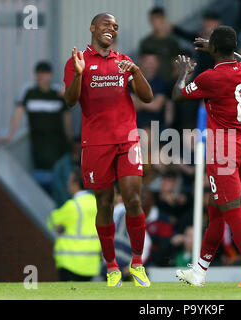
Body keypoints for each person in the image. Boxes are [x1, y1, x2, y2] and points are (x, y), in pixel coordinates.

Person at [172, 25, 241, 287]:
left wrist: (184, 74)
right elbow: (238, 57)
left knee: (232, 211)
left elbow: (178, 95)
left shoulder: (210, 78)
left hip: (222, 149)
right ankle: (199, 271)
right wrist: (219, 47)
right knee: (216, 210)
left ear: (214, 49)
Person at [63, 13, 154, 287]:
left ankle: (137, 263)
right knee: (103, 203)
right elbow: (70, 100)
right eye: (106, 24)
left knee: (133, 200)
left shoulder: (123, 62)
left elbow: (147, 98)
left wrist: (136, 72)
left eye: (115, 27)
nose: (111, 29)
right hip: (95, 143)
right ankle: (112, 265)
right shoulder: (77, 62)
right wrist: (79, 75)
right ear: (92, 27)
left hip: (127, 140)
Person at [0, 61, 73, 194]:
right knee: (42, 183)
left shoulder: (58, 93)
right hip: (38, 147)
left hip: (58, 146)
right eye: (38, 74)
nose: (41, 77)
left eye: (44, 74)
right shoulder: (30, 93)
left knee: (58, 181)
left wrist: (70, 139)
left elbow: (67, 118)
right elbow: (18, 112)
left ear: (50, 75)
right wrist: (11, 134)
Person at [47, 168, 101, 281]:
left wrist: (57, 227)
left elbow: (52, 220)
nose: (67, 183)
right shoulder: (96, 203)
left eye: (70, 180)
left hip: (70, 261)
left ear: (76, 184)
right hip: (91, 263)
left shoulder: (72, 206)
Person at [139, 7, 181, 84]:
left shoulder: (172, 42)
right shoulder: (146, 42)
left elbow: (177, 63)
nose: (154, 23)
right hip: (151, 82)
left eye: (156, 19)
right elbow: (141, 63)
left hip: (168, 81)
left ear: (163, 19)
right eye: (152, 20)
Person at [133, 51, 167, 130]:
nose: (150, 65)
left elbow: (156, 106)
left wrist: (139, 102)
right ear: (140, 62)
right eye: (147, 62)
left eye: (153, 62)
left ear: (158, 64)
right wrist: (149, 103)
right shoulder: (132, 81)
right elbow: (131, 106)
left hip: (156, 126)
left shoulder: (161, 83)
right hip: (134, 124)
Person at [51, 136, 82, 207]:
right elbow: (58, 189)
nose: (77, 153)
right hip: (65, 204)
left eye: (79, 150)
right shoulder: (62, 165)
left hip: (83, 202)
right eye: (75, 149)